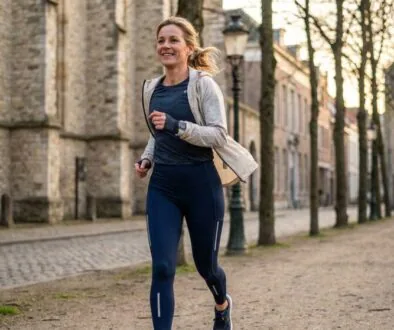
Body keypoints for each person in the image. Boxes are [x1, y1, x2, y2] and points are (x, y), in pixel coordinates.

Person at [135, 16, 257, 330]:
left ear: (189, 48)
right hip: (163, 186)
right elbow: (156, 132)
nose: (166, 46)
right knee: (162, 267)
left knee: (207, 266)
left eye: (173, 40)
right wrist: (147, 159)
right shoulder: (152, 89)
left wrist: (178, 126)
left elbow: (218, 134)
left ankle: (222, 304)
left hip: (202, 184)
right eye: (161, 40)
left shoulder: (203, 86)